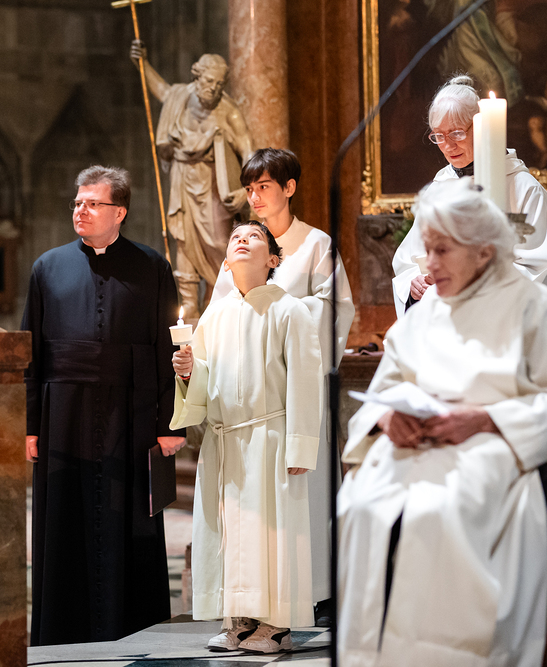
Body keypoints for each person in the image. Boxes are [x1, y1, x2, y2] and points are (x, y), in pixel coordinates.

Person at [338, 178, 547, 667]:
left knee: (440, 511)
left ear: (483, 251)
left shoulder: (531, 305)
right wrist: (386, 418)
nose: (428, 265)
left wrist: (486, 419)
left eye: (441, 251)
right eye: (426, 249)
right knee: (360, 504)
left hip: (489, 450)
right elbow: (383, 391)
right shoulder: (426, 311)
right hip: (410, 449)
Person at [22, 165, 186, 645]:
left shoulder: (152, 267)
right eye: (78, 203)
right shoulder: (46, 268)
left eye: (93, 203)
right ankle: (61, 633)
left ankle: (136, 630)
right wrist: (29, 425)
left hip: (130, 417)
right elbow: (30, 353)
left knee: (128, 519)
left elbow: (167, 348)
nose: (81, 210)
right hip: (62, 416)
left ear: (120, 212)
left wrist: (171, 424)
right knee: (65, 523)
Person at [210, 148, 354, 618]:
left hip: (295, 391)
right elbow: (222, 312)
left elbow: (335, 310)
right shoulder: (242, 246)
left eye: (264, 186)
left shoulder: (315, 244)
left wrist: (276, 308)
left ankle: (315, 591)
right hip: (251, 395)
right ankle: (256, 600)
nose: (254, 197)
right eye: (249, 188)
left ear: (289, 188)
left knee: (306, 496)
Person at [170, 221, 323, 653]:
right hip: (226, 440)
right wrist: (188, 372)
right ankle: (238, 620)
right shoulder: (215, 314)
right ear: (226, 261)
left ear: (273, 259)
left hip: (270, 437)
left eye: (254, 236)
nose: (242, 239)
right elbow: (205, 379)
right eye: (236, 236)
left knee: (270, 531)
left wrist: (300, 445)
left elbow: (306, 380)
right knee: (229, 533)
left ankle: (275, 625)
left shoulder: (289, 310)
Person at [391, 74, 547, 317]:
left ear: (482, 126)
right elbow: (408, 263)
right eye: (438, 136)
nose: (448, 146)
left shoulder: (524, 190)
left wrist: (467, 288)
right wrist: (415, 286)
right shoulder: (439, 188)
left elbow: (535, 269)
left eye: (456, 133)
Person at [129, 40, 254, 320]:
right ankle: (190, 309)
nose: (214, 89)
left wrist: (247, 190)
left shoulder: (228, 110)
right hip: (183, 178)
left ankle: (223, 302)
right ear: (197, 77)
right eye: (209, 82)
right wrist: (142, 63)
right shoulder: (180, 97)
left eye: (219, 84)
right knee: (184, 241)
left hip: (214, 184)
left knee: (219, 243)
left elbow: (248, 149)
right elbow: (162, 90)